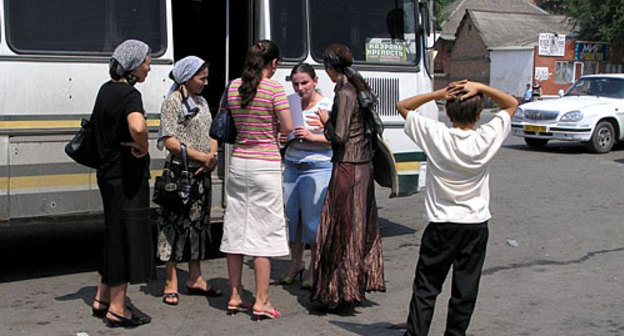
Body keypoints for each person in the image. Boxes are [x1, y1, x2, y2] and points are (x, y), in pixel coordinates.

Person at [396, 80, 518, 336]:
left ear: (448, 113)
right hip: (474, 224)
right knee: (465, 289)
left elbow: (403, 106)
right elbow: (511, 104)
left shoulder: (436, 134)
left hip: (441, 224)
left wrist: (439, 93)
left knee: (426, 288)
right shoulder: (485, 137)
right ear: (478, 115)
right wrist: (480, 87)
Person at [219, 40, 293, 320]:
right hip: (265, 165)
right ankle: (261, 300)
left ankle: (235, 295)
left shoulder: (233, 86)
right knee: (264, 233)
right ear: (272, 63)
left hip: (239, 164)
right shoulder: (274, 88)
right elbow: (287, 127)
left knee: (236, 228)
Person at [313, 43, 385, 310]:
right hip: (363, 166)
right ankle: (350, 287)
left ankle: (340, 291)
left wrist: (325, 122)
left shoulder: (345, 90)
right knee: (356, 227)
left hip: (348, 166)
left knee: (341, 229)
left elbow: (340, 135)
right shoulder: (357, 85)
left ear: (330, 68)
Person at [90, 39, 156, 328]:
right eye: (146, 61)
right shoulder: (130, 95)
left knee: (113, 233)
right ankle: (118, 307)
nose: (149, 67)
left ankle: (102, 298)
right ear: (132, 65)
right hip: (127, 177)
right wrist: (142, 145)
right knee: (126, 238)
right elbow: (138, 126)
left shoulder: (105, 91)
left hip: (106, 174)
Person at [156, 56, 221, 306]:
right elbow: (170, 140)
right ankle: (170, 280)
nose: (206, 82)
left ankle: (195, 276)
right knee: (172, 226)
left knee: (198, 225)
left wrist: (211, 157)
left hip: (201, 174)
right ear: (187, 78)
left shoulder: (202, 102)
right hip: (179, 175)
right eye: (201, 77)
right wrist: (201, 156)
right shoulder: (172, 102)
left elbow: (212, 132)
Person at [279, 63, 332, 290]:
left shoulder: (327, 106)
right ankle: (295, 264)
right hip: (292, 165)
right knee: (293, 219)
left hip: (317, 168)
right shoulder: (291, 104)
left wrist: (312, 136)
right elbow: (283, 131)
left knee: (313, 223)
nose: (300, 88)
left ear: (315, 81)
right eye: (296, 84)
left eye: (304, 83)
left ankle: (314, 266)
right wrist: (284, 137)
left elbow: (336, 140)